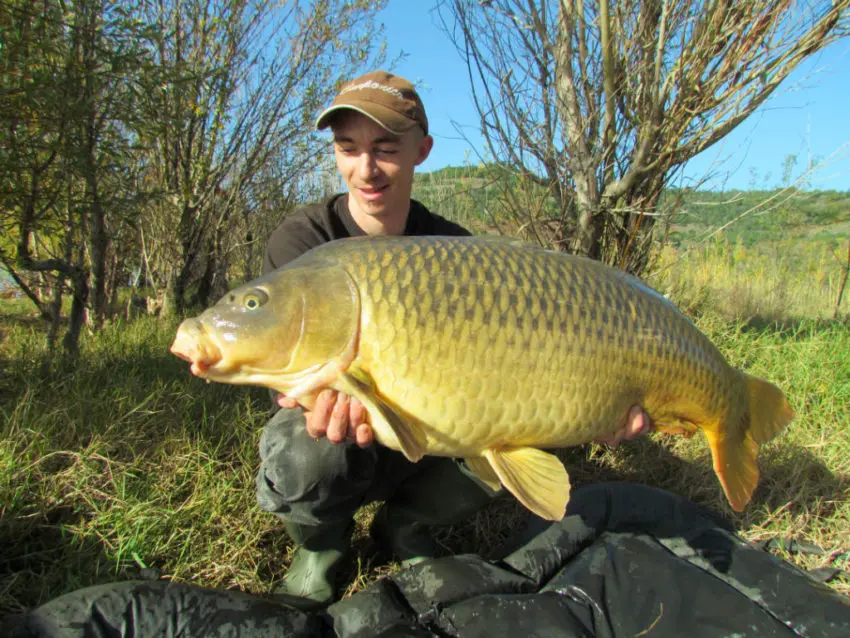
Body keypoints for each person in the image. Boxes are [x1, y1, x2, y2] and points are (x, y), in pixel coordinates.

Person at [255, 70, 651, 607]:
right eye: (348, 148)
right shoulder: (304, 242)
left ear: (422, 151)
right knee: (307, 452)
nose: (365, 169)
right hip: (338, 427)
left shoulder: (456, 250)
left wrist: (592, 408)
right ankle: (321, 549)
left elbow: (521, 363)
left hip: (437, 425)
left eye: (386, 149)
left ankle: (407, 525)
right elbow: (285, 368)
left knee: (509, 427)